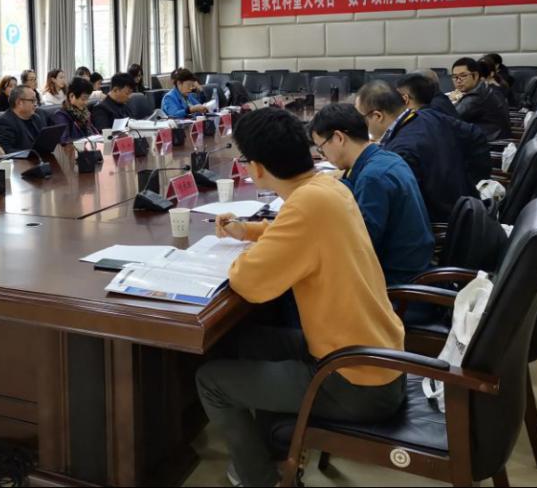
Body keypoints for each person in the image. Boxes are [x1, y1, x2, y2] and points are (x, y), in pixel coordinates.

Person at [197, 108, 405, 488]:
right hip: (375, 355)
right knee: (247, 342)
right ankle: (277, 450)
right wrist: (250, 231)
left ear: (256, 168)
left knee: (211, 381)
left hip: (353, 380)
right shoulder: (329, 187)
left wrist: (246, 254)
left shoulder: (307, 206)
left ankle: (260, 480)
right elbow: (297, 230)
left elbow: (248, 282)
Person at [310, 104, 433, 285]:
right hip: (412, 264)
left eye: (321, 148)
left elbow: (362, 248)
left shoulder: (373, 178)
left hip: (396, 278)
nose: (323, 156)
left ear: (338, 138)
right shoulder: (384, 158)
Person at [355, 80, 477, 223]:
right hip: (466, 205)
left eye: (360, 118)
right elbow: (475, 134)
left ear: (378, 116)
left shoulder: (400, 152)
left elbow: (395, 207)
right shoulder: (430, 116)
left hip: (440, 223)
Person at [448, 57, 511, 141]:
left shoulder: (477, 95)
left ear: (476, 75)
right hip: (485, 138)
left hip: (490, 144)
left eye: (463, 76)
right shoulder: (482, 88)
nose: (458, 81)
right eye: (455, 77)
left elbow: (450, 117)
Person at [0, 85, 47, 153]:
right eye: (32, 100)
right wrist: (29, 154)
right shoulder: (5, 122)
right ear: (19, 102)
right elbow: (5, 150)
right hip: (21, 159)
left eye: (36, 100)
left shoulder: (36, 118)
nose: (36, 104)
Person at [51, 77, 100, 144]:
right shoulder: (61, 116)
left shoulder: (85, 113)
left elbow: (95, 134)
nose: (86, 102)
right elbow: (65, 142)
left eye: (87, 99)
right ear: (71, 96)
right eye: (83, 99)